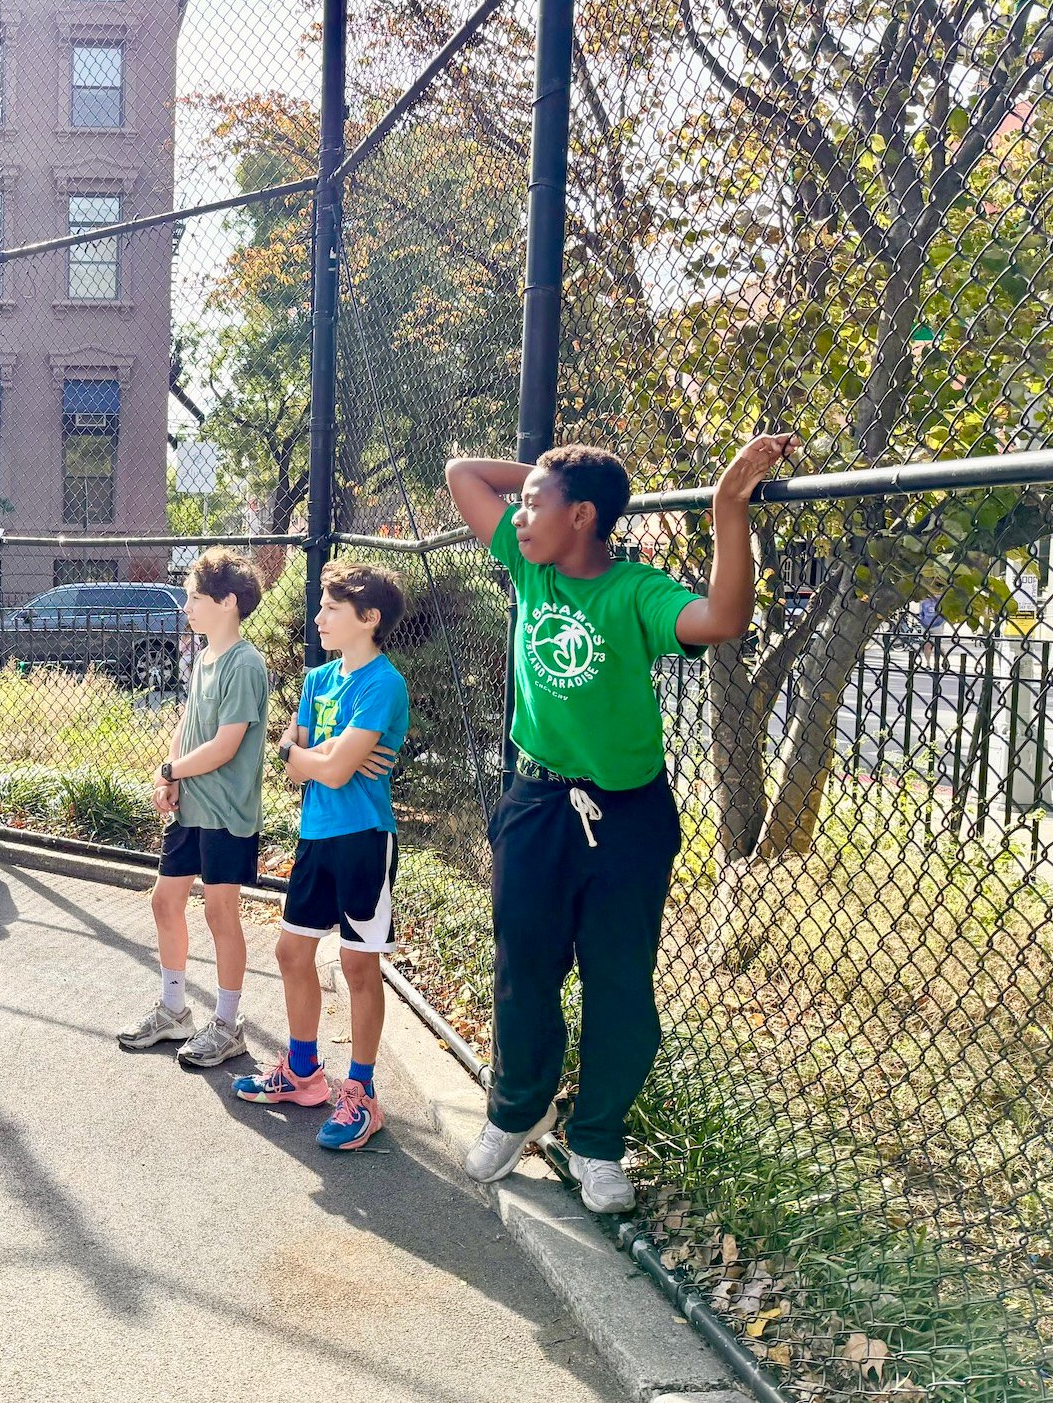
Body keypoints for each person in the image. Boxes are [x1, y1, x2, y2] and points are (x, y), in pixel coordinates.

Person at [444, 434, 796, 1211]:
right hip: (536, 805)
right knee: (524, 969)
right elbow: (461, 473)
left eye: (537, 503)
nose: (520, 511)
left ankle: (598, 1141)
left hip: (628, 816)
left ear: (584, 519)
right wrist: (547, 474)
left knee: (619, 986)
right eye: (525, 501)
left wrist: (725, 507)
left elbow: (725, 617)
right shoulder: (529, 565)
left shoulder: (636, 591)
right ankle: (519, 1111)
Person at [233, 562, 407, 1152]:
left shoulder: (384, 684)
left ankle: (361, 1093)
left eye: (332, 608)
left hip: (364, 838)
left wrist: (324, 757)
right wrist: (321, 755)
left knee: (359, 966)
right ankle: (303, 1072)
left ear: (369, 618)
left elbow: (328, 767)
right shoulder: (317, 681)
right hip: (316, 837)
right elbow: (297, 761)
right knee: (290, 952)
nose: (319, 617)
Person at [117, 548, 268, 1069]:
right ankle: (175, 1010)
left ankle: (228, 1025)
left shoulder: (246, 664)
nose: (187, 606)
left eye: (195, 597)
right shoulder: (204, 656)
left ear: (227, 602)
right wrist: (170, 771)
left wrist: (171, 772)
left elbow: (227, 745)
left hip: (226, 812)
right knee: (165, 902)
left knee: (221, 913)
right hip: (190, 808)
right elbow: (187, 723)